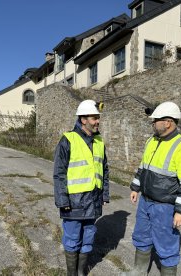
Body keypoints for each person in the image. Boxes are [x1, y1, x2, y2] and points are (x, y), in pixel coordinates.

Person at [128, 101, 181, 276]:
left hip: (165, 207)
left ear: (168, 122)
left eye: (156, 120)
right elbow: (143, 167)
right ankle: (138, 271)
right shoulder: (151, 141)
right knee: (141, 237)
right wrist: (135, 187)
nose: (153, 123)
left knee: (166, 245)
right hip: (145, 201)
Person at [53, 99, 110, 276]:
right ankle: (72, 273)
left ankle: (82, 271)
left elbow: (104, 169)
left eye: (98, 118)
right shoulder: (68, 140)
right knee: (72, 238)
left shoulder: (99, 141)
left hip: (93, 200)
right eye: (94, 118)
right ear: (83, 119)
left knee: (88, 237)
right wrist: (62, 200)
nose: (97, 121)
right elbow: (59, 173)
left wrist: (104, 194)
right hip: (74, 202)